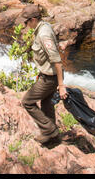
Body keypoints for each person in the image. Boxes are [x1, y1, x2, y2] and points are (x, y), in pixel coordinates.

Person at [21, 9, 68, 145]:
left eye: (26, 22)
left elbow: (57, 60)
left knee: (27, 102)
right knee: (46, 103)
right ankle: (53, 138)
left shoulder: (43, 34)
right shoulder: (45, 26)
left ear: (33, 20)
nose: (25, 25)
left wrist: (61, 85)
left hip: (50, 78)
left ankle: (49, 130)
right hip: (47, 75)